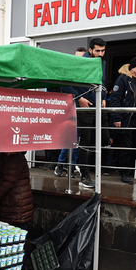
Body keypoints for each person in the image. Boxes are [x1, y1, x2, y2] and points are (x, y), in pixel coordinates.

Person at [66, 38, 108, 189]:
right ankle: (84, 174)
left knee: (104, 139)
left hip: (98, 106)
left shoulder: (102, 62)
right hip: (85, 107)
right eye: (97, 51)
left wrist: (103, 98)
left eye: (103, 51)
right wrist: (79, 98)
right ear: (90, 50)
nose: (100, 54)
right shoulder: (79, 62)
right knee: (86, 140)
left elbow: (102, 82)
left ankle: (80, 165)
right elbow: (67, 82)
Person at [109, 57, 136, 185]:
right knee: (126, 147)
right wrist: (117, 117)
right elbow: (116, 99)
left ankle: (122, 167)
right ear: (133, 67)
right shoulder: (124, 79)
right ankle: (125, 172)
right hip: (127, 119)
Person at [55, 48, 88, 178]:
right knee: (70, 139)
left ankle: (71, 167)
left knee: (76, 141)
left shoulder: (85, 72)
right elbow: (64, 87)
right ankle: (60, 165)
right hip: (69, 110)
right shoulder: (69, 72)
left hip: (82, 112)